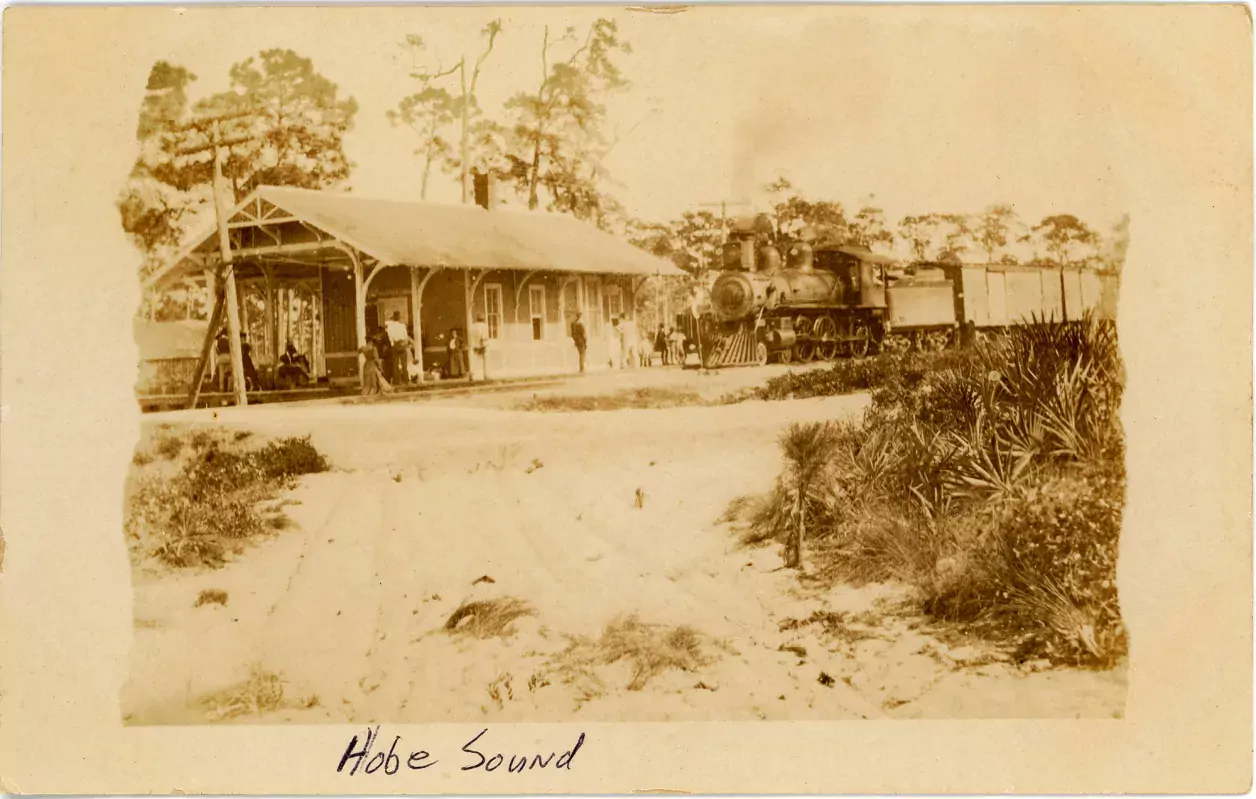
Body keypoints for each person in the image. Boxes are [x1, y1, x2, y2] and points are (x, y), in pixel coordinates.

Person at [470, 313, 490, 381]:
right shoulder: (484, 326)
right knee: (485, 361)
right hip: (482, 344)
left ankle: (472, 374)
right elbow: (484, 336)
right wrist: (484, 344)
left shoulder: (473, 326)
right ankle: (486, 375)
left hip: (475, 345)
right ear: (483, 319)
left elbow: (471, 336)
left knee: (474, 361)